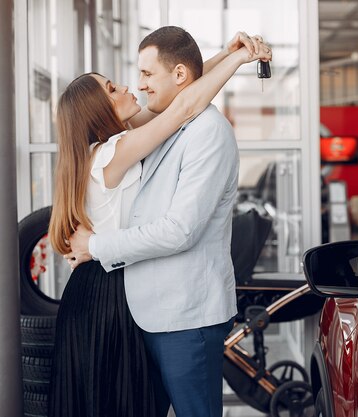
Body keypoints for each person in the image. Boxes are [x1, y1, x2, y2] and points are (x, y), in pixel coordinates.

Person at [47, 28, 271, 417]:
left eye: (145, 75)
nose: (134, 86)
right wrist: (239, 60)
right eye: (115, 88)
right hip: (109, 293)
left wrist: (226, 53)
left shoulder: (114, 144)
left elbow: (185, 93)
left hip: (124, 293)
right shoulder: (116, 148)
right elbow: (184, 104)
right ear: (100, 112)